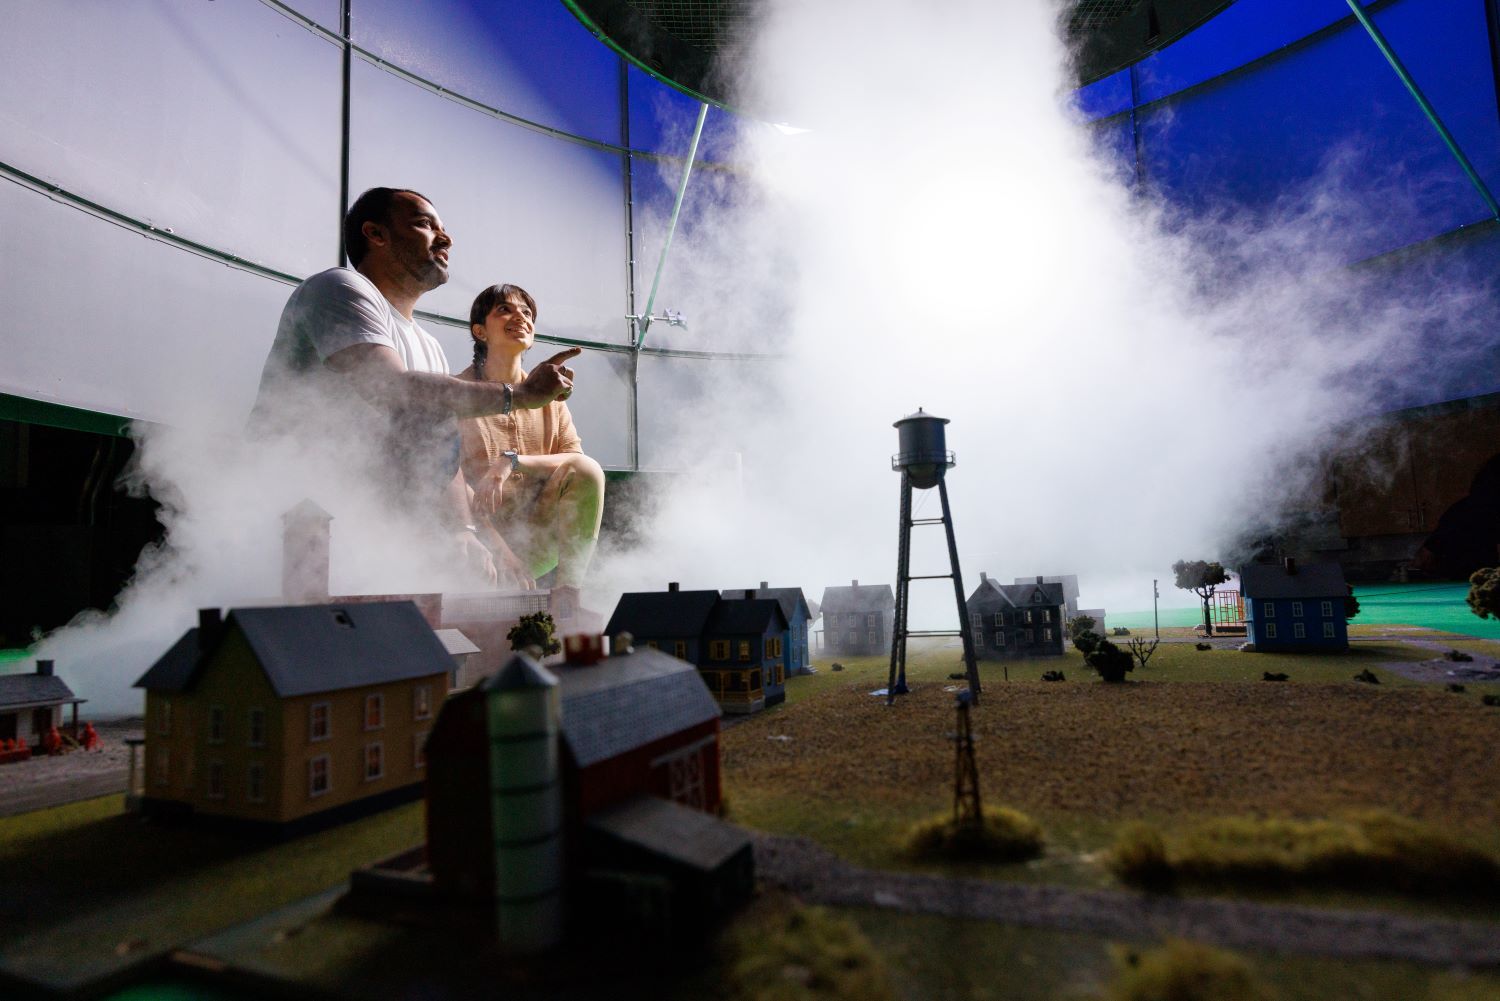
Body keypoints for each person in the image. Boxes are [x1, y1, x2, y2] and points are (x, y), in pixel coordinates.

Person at [250, 188, 580, 582]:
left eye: (444, 228)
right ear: (376, 234)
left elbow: (441, 451)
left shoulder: (430, 348)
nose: (446, 238)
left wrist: (463, 530)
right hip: (291, 516)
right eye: (425, 224)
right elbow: (392, 389)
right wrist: (522, 396)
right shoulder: (338, 288)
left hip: (367, 531)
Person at [459, 283, 605, 591]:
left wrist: (511, 461)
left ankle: (568, 597)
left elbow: (577, 465)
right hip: (479, 545)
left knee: (588, 470)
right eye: (504, 310)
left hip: (535, 541)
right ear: (480, 331)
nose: (520, 317)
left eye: (527, 313)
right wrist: (501, 553)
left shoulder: (549, 397)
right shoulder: (458, 393)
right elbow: (450, 484)